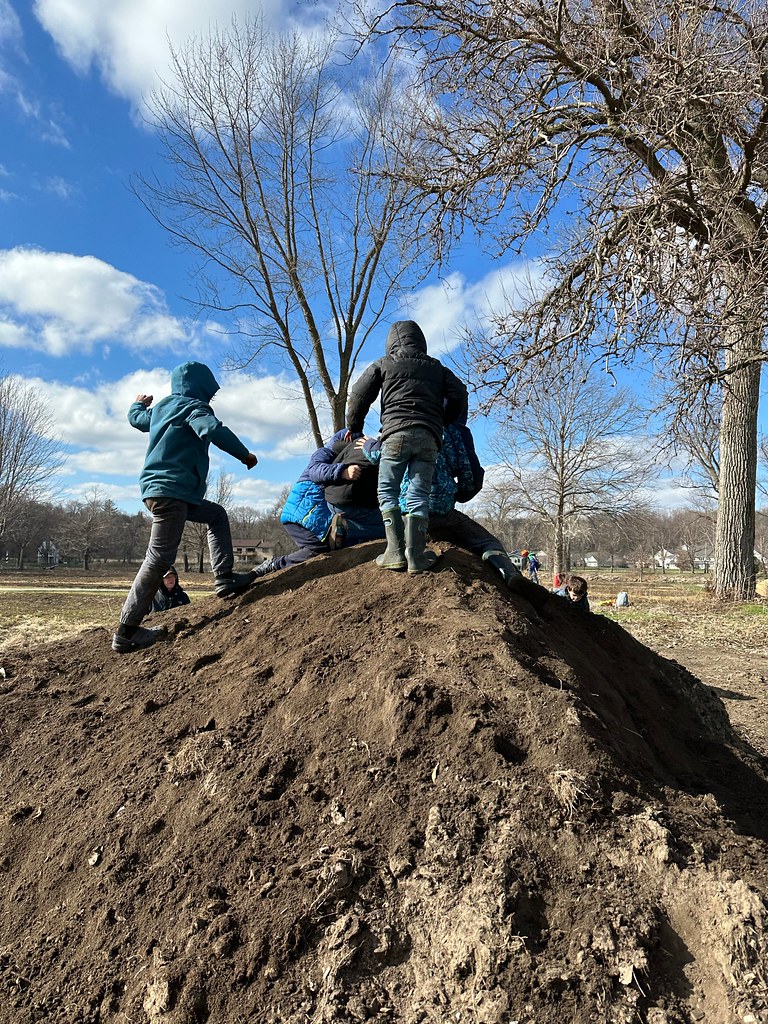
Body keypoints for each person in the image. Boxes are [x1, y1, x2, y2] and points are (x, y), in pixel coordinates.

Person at [111, 361, 258, 654]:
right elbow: (212, 429)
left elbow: (138, 419)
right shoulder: (193, 408)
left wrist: (135, 405)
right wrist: (245, 454)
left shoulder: (161, 410)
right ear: (200, 389)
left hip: (166, 493)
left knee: (216, 515)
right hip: (172, 493)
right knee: (158, 559)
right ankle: (126, 632)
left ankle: (224, 579)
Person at [364, 422, 550, 610]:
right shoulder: (451, 432)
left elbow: (376, 456)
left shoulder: (396, 428)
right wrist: (460, 494)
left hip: (407, 511)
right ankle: (509, 573)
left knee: (401, 521)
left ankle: (405, 548)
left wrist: (368, 443)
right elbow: (467, 472)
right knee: (486, 541)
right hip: (444, 509)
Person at [346, 319, 467, 574]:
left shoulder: (384, 363)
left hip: (395, 434)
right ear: (420, 342)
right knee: (419, 492)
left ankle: (394, 552)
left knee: (387, 489)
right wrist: (444, 420)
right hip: (429, 437)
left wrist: (354, 427)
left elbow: (359, 394)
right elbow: (460, 393)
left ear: (391, 343)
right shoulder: (436, 367)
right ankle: (416, 556)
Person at [248, 430, 377, 580]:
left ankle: (275, 564)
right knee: (317, 549)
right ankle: (274, 565)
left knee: (328, 545)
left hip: (310, 513)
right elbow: (315, 471)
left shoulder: (340, 456)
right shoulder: (325, 453)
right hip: (301, 515)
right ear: (347, 439)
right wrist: (342, 471)